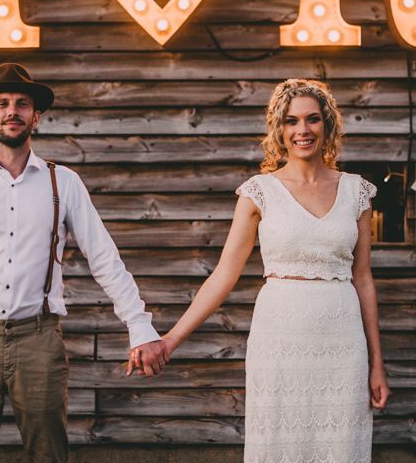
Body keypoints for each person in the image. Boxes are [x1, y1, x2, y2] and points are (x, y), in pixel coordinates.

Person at [0, 62, 167, 463]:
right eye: (3, 103)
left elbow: (105, 259)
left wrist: (140, 327)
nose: (13, 111)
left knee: (48, 453)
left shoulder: (61, 182)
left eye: (22, 104)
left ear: (36, 117)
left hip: (39, 339)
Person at [128, 78, 390, 461]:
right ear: (279, 130)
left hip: (342, 344)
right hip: (280, 341)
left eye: (312, 120)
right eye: (291, 121)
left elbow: (363, 278)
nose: (302, 130)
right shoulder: (259, 192)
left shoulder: (357, 192)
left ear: (327, 125)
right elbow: (224, 275)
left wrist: (376, 364)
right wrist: (170, 340)